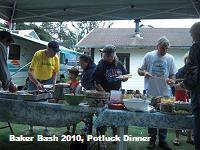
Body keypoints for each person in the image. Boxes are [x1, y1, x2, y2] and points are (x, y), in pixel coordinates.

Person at [138, 36, 177, 150]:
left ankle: (162, 140)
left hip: (165, 93)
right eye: (162, 48)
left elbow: (172, 74)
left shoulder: (170, 58)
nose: (164, 51)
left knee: (164, 117)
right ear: (157, 46)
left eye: (166, 49)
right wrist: (144, 73)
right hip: (150, 92)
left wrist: (172, 81)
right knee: (152, 117)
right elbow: (139, 70)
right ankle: (152, 139)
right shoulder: (149, 55)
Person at [94, 44, 129, 146]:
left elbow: (125, 76)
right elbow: (96, 82)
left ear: (112, 55)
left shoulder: (119, 64)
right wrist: (105, 93)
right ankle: (102, 139)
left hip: (116, 94)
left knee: (116, 116)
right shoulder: (101, 65)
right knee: (103, 117)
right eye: (103, 54)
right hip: (104, 95)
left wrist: (124, 78)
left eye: (104, 54)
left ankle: (115, 137)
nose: (103, 56)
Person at [27, 40, 60, 136]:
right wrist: (37, 83)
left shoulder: (55, 58)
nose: (55, 54)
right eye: (54, 51)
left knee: (47, 104)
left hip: (48, 82)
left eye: (57, 52)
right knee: (31, 104)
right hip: (35, 81)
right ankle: (30, 128)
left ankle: (46, 128)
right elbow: (30, 72)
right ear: (48, 49)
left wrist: (54, 85)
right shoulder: (38, 54)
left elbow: (54, 72)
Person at [184, 22, 200, 150]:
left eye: (191, 34)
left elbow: (191, 69)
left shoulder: (196, 47)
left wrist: (185, 84)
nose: (191, 36)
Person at [173, 51, 194, 146]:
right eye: (187, 60)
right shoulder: (181, 71)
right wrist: (183, 85)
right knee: (178, 115)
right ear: (185, 61)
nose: (188, 62)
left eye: (190, 60)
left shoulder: (195, 70)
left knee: (191, 116)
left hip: (192, 96)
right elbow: (175, 84)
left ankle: (190, 136)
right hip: (180, 96)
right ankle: (177, 137)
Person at [79, 54, 96, 134]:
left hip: (93, 94)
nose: (80, 65)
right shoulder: (89, 68)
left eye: (82, 63)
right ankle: (88, 127)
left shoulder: (91, 71)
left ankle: (88, 127)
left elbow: (90, 84)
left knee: (89, 111)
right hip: (90, 92)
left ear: (87, 62)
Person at [65, 67, 79, 135]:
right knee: (67, 116)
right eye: (69, 74)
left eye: (72, 75)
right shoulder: (68, 82)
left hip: (73, 101)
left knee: (74, 117)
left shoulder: (77, 83)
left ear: (76, 76)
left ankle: (73, 131)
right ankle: (68, 130)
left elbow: (75, 92)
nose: (70, 76)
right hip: (68, 101)